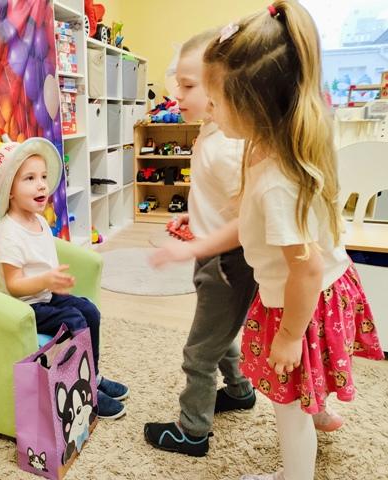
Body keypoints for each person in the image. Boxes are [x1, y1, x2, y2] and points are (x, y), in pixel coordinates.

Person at [151, 2, 384, 479]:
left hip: (304, 301)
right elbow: (251, 222)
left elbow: (307, 267)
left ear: (253, 104)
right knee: (292, 399)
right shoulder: (261, 146)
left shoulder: (278, 178)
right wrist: (199, 237)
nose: (208, 110)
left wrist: (290, 335)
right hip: (299, 293)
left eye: (216, 100)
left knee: (289, 409)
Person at [143, 30, 258, 458]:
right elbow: (226, 202)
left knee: (198, 352)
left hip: (227, 262)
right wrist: (196, 216)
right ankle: (240, 390)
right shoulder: (212, 131)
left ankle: (192, 431)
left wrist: (193, 247)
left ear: (221, 90)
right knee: (218, 332)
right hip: (216, 256)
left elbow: (250, 218)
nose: (176, 95)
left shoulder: (227, 147)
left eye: (188, 85)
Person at [0, 133, 129, 420]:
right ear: (9, 191)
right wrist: (47, 281)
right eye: (29, 178)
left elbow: (42, 262)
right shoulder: (8, 233)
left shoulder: (38, 220)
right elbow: (14, 285)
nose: (41, 184)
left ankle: (92, 375)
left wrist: (53, 282)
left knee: (90, 311)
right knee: (74, 321)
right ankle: (83, 389)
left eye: (43, 177)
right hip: (23, 306)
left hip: (45, 296)